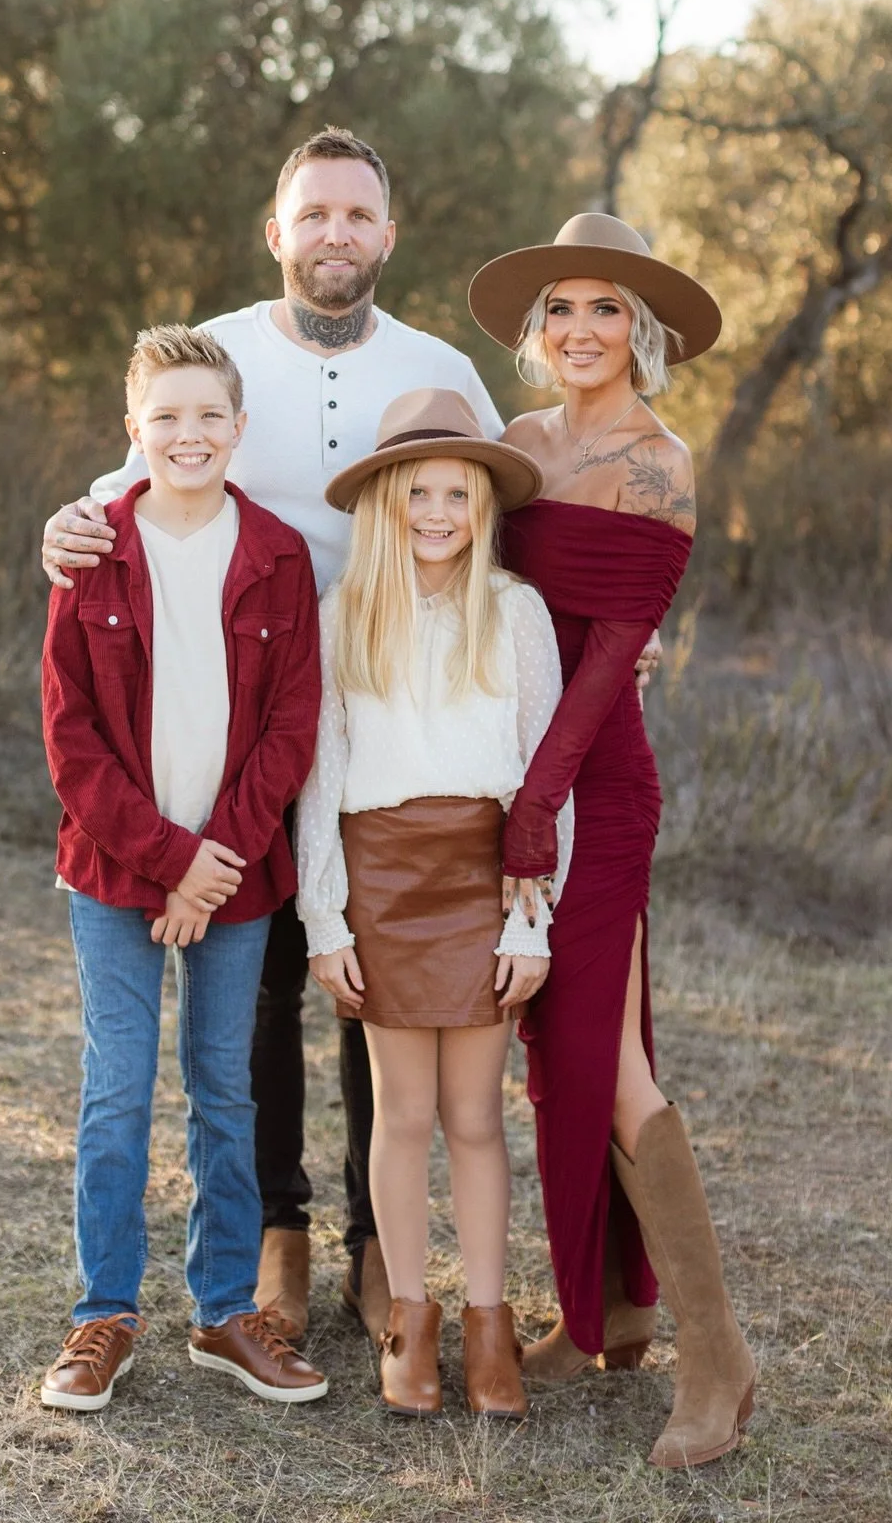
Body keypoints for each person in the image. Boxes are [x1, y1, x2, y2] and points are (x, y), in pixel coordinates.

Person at [39, 128, 506, 1349]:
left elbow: (507, 514)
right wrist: (63, 525)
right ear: (277, 232)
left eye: (356, 214)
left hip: (394, 719)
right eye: (314, 215)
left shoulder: (442, 366)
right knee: (257, 996)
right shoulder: (223, 352)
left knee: (374, 979)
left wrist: (609, 634)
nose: (335, 234)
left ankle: (373, 1247)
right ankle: (277, 1238)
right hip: (245, 718)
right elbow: (130, 486)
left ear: (388, 233)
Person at [467, 212, 757, 1470]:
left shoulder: (658, 462)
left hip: (597, 782)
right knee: (560, 1052)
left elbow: (607, 667)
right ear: (541, 328)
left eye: (605, 310)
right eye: (562, 308)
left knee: (611, 1058)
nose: (580, 329)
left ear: (641, 331)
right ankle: (609, 1313)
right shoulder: (521, 442)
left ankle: (718, 1362)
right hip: (512, 773)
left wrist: (541, 808)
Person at [38, 324, 327, 1412]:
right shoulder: (93, 549)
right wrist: (169, 862)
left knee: (224, 1089)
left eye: (209, 416)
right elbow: (71, 739)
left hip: (237, 876)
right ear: (133, 429)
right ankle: (104, 1314)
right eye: (166, 416)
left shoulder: (279, 556)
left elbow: (292, 727)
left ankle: (223, 1310)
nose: (188, 434)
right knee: (117, 1089)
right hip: (115, 874)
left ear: (239, 428)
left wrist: (215, 865)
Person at [295, 389, 570, 1420]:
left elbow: (546, 778)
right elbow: (321, 778)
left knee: (475, 1118)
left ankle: (489, 1325)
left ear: (482, 505)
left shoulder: (516, 611)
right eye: (419, 494)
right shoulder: (345, 614)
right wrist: (325, 918)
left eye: (458, 494)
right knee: (402, 1115)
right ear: (384, 504)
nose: (439, 512)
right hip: (383, 880)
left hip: (488, 874)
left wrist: (531, 920)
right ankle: (410, 1320)